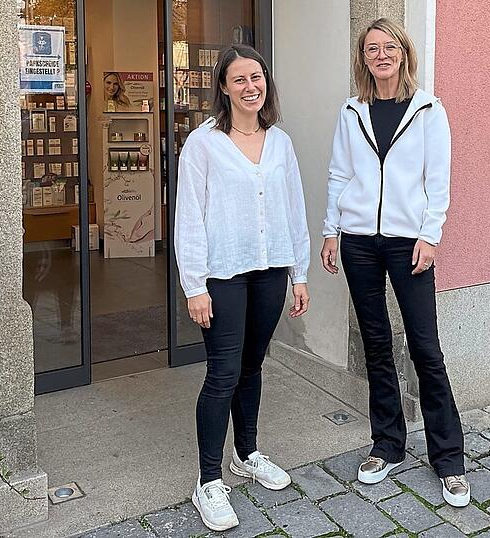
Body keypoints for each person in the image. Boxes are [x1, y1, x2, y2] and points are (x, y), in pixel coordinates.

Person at [320, 18, 470, 508]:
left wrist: (430, 236)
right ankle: (388, 445)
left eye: (389, 47)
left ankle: (448, 458)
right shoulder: (352, 111)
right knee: (377, 345)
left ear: (404, 54)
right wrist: (331, 230)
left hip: (410, 243)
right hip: (360, 241)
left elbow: (438, 180)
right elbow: (340, 174)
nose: (381, 55)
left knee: (425, 348)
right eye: (371, 49)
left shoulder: (428, 110)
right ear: (362, 58)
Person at [175, 44, 310, 532]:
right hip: (223, 275)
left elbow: (295, 210)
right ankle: (208, 480)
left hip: (272, 270)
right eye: (239, 79)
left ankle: (246, 454)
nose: (250, 87)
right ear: (224, 88)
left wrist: (300, 275)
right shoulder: (204, 143)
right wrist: (194, 285)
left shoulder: (281, 143)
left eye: (257, 77)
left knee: (252, 366)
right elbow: (189, 216)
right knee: (223, 373)